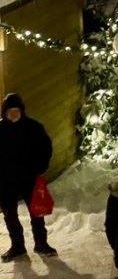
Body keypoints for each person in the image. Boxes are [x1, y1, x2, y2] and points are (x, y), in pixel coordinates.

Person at [0, 93, 55, 262]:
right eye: (10, 112)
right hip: (5, 181)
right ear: (5, 112)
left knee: (36, 213)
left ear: (22, 111)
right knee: (10, 215)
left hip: (28, 178)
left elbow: (46, 148)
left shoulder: (34, 127)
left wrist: (40, 167)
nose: (13, 115)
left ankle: (41, 243)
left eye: (16, 111)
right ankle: (18, 246)